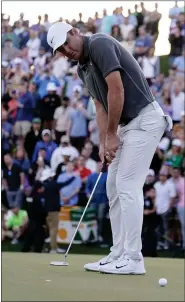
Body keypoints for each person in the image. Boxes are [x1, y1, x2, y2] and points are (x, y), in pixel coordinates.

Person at [48, 21, 172, 275]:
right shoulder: (83, 69)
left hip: (145, 120)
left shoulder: (100, 43)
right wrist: (105, 142)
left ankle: (134, 259)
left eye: (65, 44)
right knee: (112, 185)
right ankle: (117, 254)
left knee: (127, 184)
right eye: (60, 50)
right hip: (127, 126)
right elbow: (100, 105)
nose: (66, 51)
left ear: (75, 32)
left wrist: (112, 134)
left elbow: (116, 89)